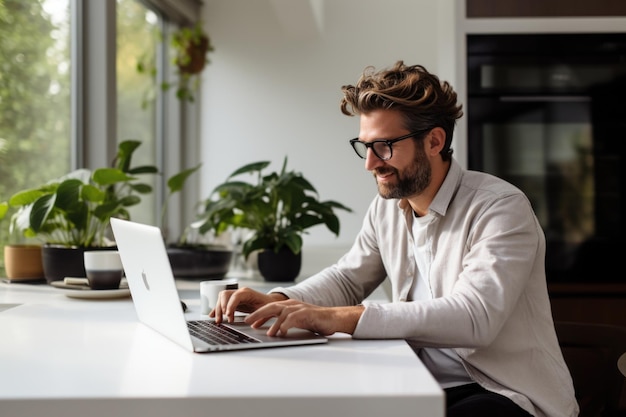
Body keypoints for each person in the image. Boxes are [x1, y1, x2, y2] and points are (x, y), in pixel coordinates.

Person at [211, 61, 578, 417]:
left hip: (503, 393)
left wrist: (337, 318)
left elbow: (474, 318)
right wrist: (278, 300)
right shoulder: (387, 207)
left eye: (384, 146)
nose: (370, 164)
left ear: (434, 141)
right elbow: (347, 278)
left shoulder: (500, 208)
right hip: (418, 380)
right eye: (365, 145)